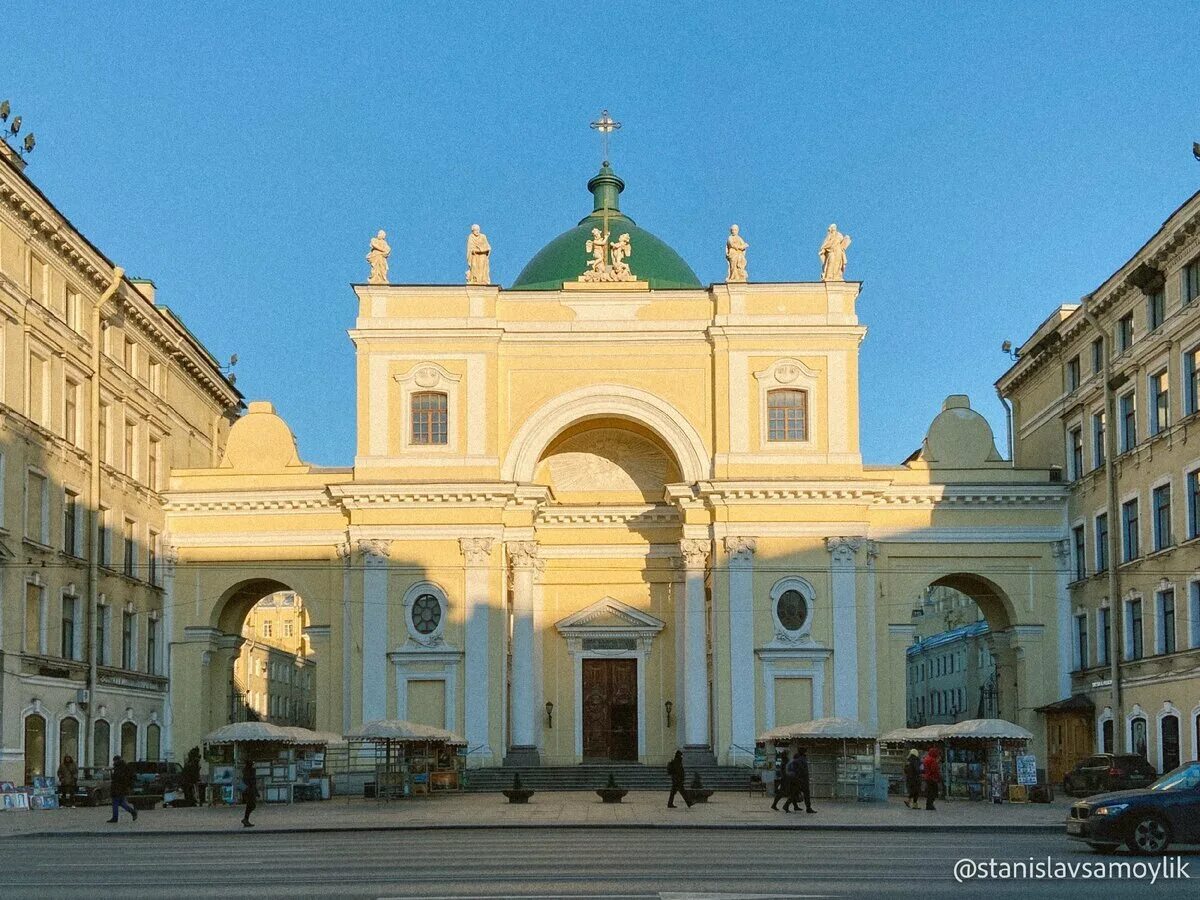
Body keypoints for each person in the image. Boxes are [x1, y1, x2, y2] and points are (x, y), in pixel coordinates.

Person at [107, 756, 137, 823]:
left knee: (115, 803)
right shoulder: (123, 767)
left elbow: (119, 778)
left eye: (114, 760)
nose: (114, 762)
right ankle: (133, 812)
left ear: (117, 760)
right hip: (121, 788)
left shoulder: (121, 768)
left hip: (118, 788)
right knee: (122, 803)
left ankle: (115, 818)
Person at [922, 746, 941, 811]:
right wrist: (938, 777)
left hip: (927, 777)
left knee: (930, 791)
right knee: (933, 792)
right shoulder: (933, 760)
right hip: (932, 778)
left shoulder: (926, 759)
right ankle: (930, 805)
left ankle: (928, 804)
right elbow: (934, 770)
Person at [241, 758, 258, 827]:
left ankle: (245, 819)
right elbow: (252, 782)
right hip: (250, 790)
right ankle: (245, 819)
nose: (254, 765)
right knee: (252, 805)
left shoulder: (246, 771)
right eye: (253, 764)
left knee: (250, 805)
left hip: (248, 790)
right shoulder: (251, 771)